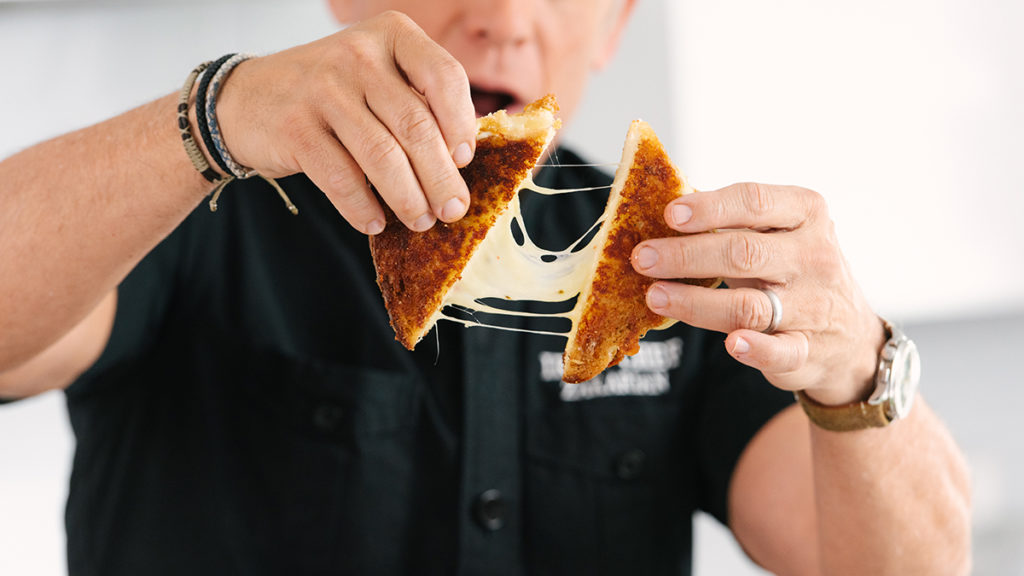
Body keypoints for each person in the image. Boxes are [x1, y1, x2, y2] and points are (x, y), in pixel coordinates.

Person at [0, 1, 970, 574]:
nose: (501, 18)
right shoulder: (191, 217)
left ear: (613, 23)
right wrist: (209, 119)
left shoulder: (679, 265)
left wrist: (859, 368)